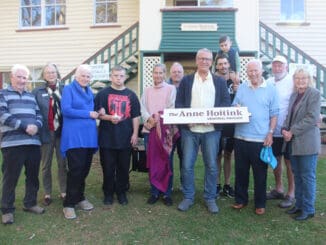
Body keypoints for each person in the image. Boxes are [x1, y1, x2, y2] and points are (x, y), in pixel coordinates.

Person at [175, 48, 231, 213]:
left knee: (212, 166)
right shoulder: (187, 80)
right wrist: (187, 119)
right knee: (186, 165)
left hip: (211, 130)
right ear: (196, 60)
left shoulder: (219, 82)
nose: (204, 61)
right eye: (201, 58)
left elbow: (226, 103)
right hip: (190, 130)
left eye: (207, 59)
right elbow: (179, 104)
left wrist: (215, 118)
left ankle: (210, 198)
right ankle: (188, 197)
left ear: (211, 61)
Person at [232, 59, 279, 215]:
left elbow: (274, 114)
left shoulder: (271, 89)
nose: (252, 73)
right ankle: (240, 200)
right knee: (241, 172)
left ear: (261, 71)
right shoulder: (243, 88)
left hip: (260, 139)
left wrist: (270, 133)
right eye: (250, 71)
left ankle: (260, 203)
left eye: (255, 70)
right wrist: (236, 108)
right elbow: (234, 106)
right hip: (240, 137)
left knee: (260, 173)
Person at [0, 64, 44, 225]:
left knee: (32, 176)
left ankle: (30, 203)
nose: (22, 80)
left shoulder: (31, 96)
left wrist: (37, 126)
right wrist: (25, 126)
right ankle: (7, 209)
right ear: (11, 77)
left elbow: (39, 114)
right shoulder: (2, 94)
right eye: (18, 76)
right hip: (12, 144)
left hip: (33, 142)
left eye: (24, 77)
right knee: (10, 177)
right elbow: (3, 115)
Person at [94, 66, 140, 206]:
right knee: (108, 167)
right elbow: (98, 114)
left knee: (123, 167)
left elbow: (136, 116)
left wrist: (135, 134)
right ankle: (108, 193)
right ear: (110, 77)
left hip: (125, 137)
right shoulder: (102, 94)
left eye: (121, 76)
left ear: (125, 77)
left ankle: (121, 192)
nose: (118, 78)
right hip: (107, 138)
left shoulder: (131, 95)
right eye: (115, 75)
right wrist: (108, 117)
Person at [60, 64, 99, 219]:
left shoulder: (89, 91)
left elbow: (94, 109)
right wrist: (88, 114)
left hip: (89, 136)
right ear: (76, 76)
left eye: (88, 76)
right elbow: (66, 110)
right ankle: (69, 204)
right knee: (75, 170)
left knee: (84, 170)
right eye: (83, 75)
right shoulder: (69, 89)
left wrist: (99, 111)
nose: (85, 78)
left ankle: (80, 197)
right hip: (75, 137)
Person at [282, 67, 320, 221]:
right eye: (297, 78)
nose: (300, 81)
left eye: (303, 78)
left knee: (307, 176)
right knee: (297, 175)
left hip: (307, 143)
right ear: (294, 80)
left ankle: (308, 209)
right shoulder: (294, 95)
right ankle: (298, 205)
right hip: (293, 142)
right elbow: (289, 116)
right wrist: (285, 128)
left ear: (309, 79)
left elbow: (311, 118)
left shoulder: (314, 94)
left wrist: (292, 131)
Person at [141, 63, 176, 206]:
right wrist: (150, 118)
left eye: (161, 73)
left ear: (165, 74)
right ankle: (155, 191)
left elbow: (171, 107)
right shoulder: (147, 90)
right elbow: (142, 107)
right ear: (152, 74)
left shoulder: (171, 89)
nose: (158, 75)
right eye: (155, 73)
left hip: (166, 131)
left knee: (167, 161)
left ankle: (167, 193)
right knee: (153, 161)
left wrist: (159, 119)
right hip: (150, 129)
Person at [32, 63, 67, 206]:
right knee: (45, 164)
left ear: (57, 73)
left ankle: (64, 191)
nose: (51, 74)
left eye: (53, 72)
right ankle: (47, 192)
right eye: (48, 72)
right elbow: (34, 111)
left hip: (62, 131)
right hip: (46, 132)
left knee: (62, 163)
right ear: (44, 75)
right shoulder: (37, 91)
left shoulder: (66, 89)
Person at [266, 55, 295, 208]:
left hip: (288, 129)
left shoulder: (292, 81)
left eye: (280, 65)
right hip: (273, 129)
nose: (277, 68)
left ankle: (291, 193)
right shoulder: (269, 81)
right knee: (275, 160)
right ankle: (279, 188)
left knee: (289, 161)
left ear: (286, 67)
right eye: (275, 65)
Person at [214, 55, 240, 198]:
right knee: (217, 155)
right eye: (220, 64)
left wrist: (237, 90)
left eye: (225, 63)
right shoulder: (213, 80)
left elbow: (241, 99)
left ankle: (227, 185)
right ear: (217, 66)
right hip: (217, 121)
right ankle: (217, 184)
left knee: (228, 154)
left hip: (231, 122)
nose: (223, 66)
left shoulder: (235, 80)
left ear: (229, 64)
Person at [168, 62, 184, 189]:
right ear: (170, 73)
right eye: (174, 72)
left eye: (179, 72)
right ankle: (169, 184)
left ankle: (185, 184)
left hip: (184, 129)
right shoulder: (165, 87)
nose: (176, 74)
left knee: (185, 157)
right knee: (168, 156)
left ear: (183, 73)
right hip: (169, 128)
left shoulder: (188, 86)